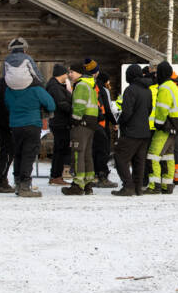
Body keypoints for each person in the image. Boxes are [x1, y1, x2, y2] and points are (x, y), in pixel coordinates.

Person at [4, 74, 55, 197]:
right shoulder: (36, 89)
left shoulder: (10, 89)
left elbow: (7, 104)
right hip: (32, 124)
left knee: (18, 154)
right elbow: (51, 104)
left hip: (15, 125)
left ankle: (17, 183)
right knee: (29, 154)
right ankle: (25, 186)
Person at [61, 63, 103, 195]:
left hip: (82, 124)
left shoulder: (81, 85)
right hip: (91, 123)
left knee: (78, 152)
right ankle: (87, 183)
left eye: (71, 72)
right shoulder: (90, 84)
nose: (69, 75)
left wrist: (74, 120)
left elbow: (79, 105)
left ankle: (78, 185)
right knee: (87, 154)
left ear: (79, 72)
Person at [113, 64, 153, 196]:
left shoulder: (130, 90)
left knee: (120, 157)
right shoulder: (148, 90)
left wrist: (120, 122)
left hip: (131, 132)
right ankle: (137, 187)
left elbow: (127, 112)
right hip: (145, 132)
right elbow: (149, 110)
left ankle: (128, 186)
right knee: (139, 161)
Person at [147, 61, 178, 194]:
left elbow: (163, 108)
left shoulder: (164, 88)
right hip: (176, 125)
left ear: (162, 73)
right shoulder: (173, 85)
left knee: (153, 155)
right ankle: (167, 185)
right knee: (168, 156)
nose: (156, 75)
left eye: (158, 73)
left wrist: (158, 123)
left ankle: (154, 185)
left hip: (166, 125)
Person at [83, 61, 117, 189]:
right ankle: (102, 176)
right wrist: (114, 122)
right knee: (103, 150)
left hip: (90, 122)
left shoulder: (87, 85)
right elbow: (107, 108)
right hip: (101, 123)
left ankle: (94, 175)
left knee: (93, 150)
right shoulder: (102, 89)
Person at [46, 64, 72, 186]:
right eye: (66, 74)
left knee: (60, 149)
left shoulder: (56, 86)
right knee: (60, 149)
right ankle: (56, 175)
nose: (67, 76)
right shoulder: (55, 87)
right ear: (61, 74)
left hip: (60, 121)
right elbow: (61, 103)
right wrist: (73, 110)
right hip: (59, 122)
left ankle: (56, 175)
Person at [0, 76, 15, 193]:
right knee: (8, 151)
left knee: (8, 151)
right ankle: (0, 178)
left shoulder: (4, 82)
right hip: (4, 122)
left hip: (3, 122)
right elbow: (3, 105)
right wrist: (8, 123)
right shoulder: (6, 83)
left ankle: (0, 177)